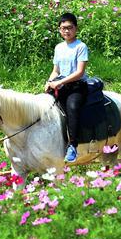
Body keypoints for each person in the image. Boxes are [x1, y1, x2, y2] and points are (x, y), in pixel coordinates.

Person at [45, 12, 89, 163]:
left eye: (70, 28)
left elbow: (80, 72)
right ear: (59, 30)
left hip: (77, 86)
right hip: (61, 84)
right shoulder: (58, 47)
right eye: (63, 28)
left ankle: (73, 145)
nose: (66, 31)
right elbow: (56, 70)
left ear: (76, 29)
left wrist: (59, 82)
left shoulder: (81, 46)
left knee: (72, 107)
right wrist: (49, 81)